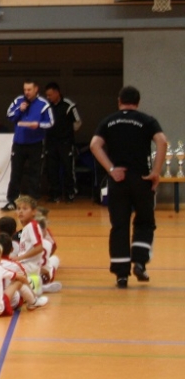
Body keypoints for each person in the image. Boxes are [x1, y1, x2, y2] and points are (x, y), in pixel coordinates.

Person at [89, 85, 167, 288]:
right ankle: (139, 262)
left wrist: (111, 169)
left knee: (119, 226)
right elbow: (162, 142)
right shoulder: (147, 120)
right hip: (142, 179)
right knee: (145, 222)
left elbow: (94, 145)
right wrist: (156, 172)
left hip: (118, 180)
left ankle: (121, 275)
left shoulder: (108, 121)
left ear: (119, 101)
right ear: (138, 102)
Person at [3, 80, 54, 210]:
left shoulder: (43, 104)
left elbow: (51, 122)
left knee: (34, 173)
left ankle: (32, 201)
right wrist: (19, 110)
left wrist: (38, 125)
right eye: (25, 89)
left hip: (36, 144)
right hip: (19, 143)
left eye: (29, 90)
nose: (26, 92)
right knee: (16, 173)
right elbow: (9, 115)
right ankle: (12, 201)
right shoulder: (18, 101)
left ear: (36, 89)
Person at [43, 82, 82, 203]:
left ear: (57, 92)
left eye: (50, 95)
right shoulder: (46, 106)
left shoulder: (68, 105)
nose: (48, 97)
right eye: (47, 95)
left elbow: (78, 122)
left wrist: (67, 131)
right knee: (51, 169)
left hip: (65, 143)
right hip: (51, 143)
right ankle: (55, 194)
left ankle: (70, 193)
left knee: (68, 168)